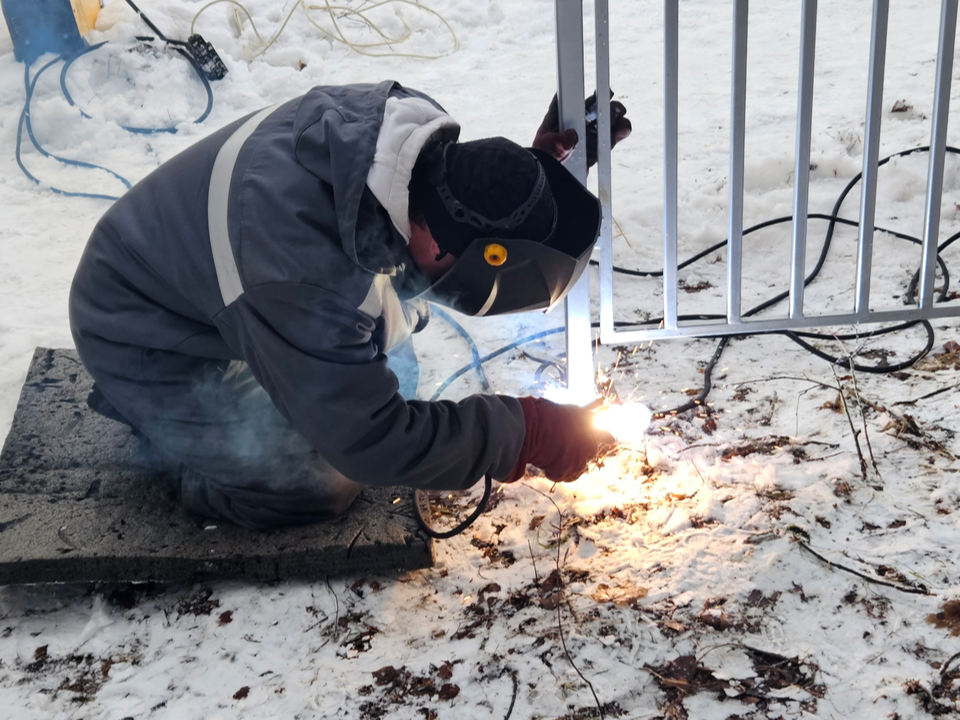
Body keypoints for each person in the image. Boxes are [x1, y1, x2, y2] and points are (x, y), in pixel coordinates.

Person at [68, 81, 632, 530]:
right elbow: (374, 443)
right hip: (145, 336)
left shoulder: (407, 139)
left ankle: (252, 395)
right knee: (323, 480)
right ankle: (176, 456)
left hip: (211, 279)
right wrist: (524, 430)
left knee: (397, 375)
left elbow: (460, 207)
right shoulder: (303, 277)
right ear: (443, 247)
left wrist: (529, 184)